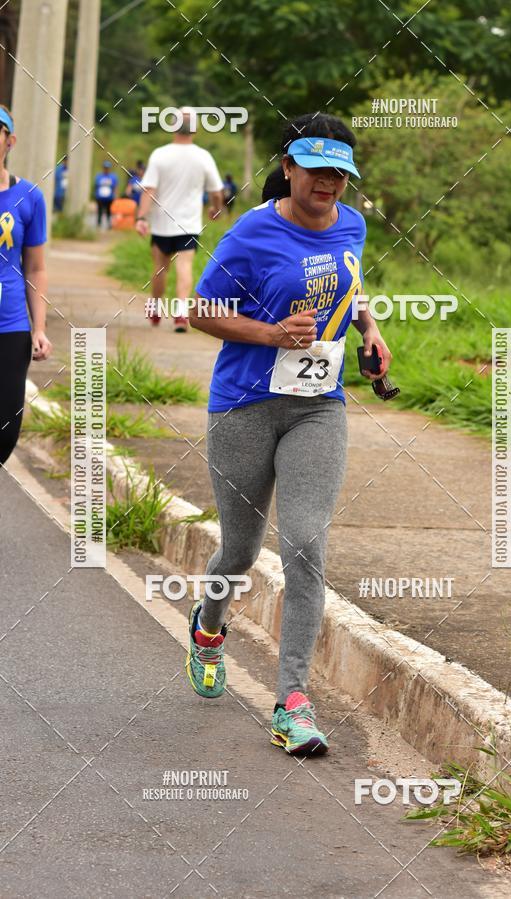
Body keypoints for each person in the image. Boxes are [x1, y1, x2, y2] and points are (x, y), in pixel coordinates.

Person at [187, 113, 392, 756]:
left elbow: (351, 288)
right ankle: (209, 625)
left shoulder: (353, 225)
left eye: (340, 173)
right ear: (288, 167)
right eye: (316, 170)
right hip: (244, 407)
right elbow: (201, 310)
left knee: (304, 542)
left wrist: (370, 330)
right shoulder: (253, 230)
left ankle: (292, 703)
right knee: (241, 554)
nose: (328, 183)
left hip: (317, 409)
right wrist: (272, 334)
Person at [136, 107, 224, 333]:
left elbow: (149, 190)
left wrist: (141, 217)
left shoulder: (160, 154)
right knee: (185, 265)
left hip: (161, 225)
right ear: (194, 129)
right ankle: (182, 314)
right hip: (188, 224)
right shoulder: (203, 156)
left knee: (160, 268)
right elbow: (216, 190)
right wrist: (215, 207)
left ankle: (155, 309)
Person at [0, 105, 52, 466]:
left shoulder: (29, 197)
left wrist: (41, 328)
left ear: (9, 141)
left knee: (5, 429)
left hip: (10, 325)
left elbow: (35, 268)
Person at [94, 160, 118, 228]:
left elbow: (115, 187)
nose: (106, 169)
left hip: (109, 197)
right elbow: (96, 186)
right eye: (105, 167)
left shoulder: (113, 177)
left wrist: (115, 195)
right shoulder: (99, 176)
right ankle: (98, 224)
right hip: (100, 197)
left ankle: (109, 224)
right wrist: (95, 195)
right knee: (99, 211)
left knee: (109, 211)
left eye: (107, 168)